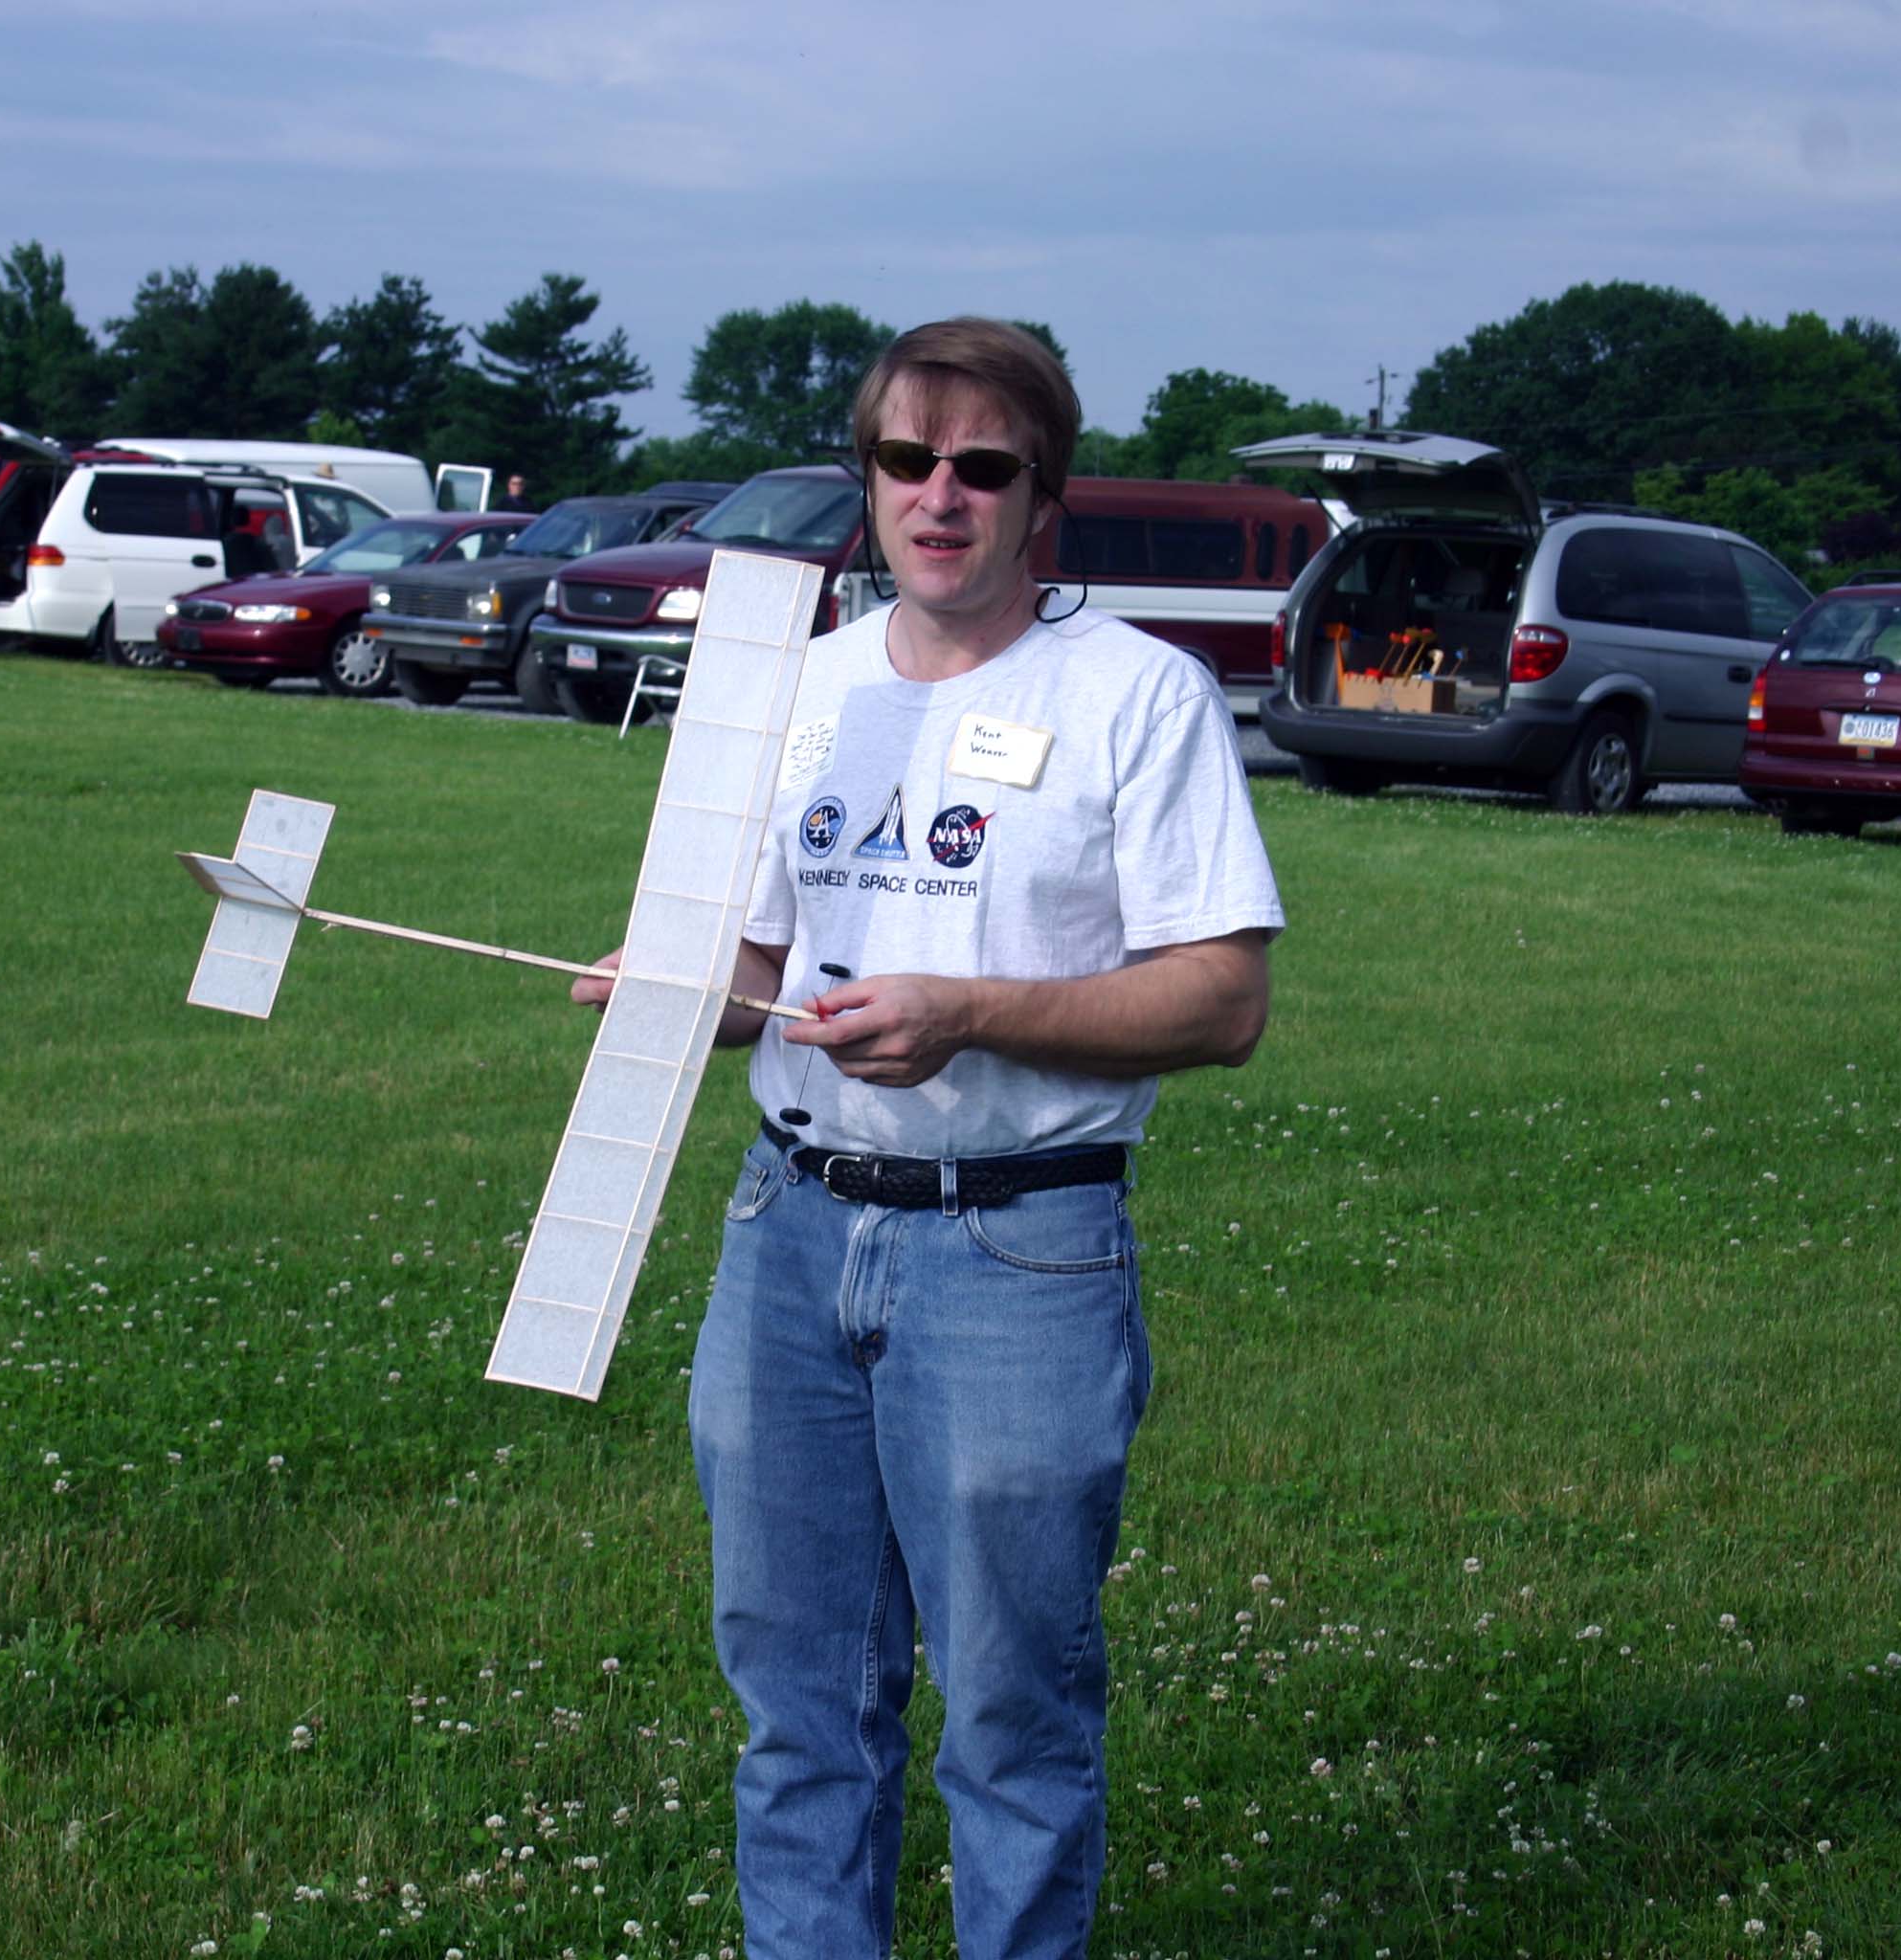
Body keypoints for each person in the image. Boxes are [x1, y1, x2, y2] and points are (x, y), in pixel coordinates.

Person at [572, 318, 1282, 1957]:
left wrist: (971, 1011)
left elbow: (1224, 998)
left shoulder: (1137, 695)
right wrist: (677, 989)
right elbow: (759, 968)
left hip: (1017, 1247)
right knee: (797, 1701)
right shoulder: (797, 689)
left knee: (1012, 1716)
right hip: (789, 1226)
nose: (940, 495)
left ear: (1044, 497)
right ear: (869, 480)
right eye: (907, 459)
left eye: (982, 466)